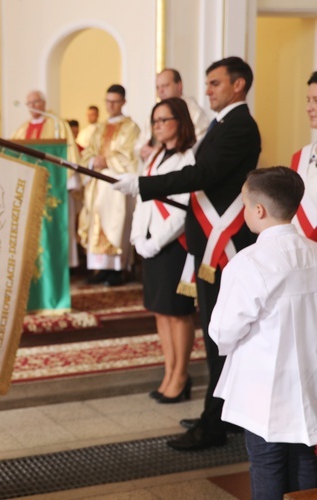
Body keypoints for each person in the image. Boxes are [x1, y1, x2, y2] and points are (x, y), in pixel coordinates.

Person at [112, 56, 261, 450]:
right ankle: (224, 415)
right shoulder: (223, 125)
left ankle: (213, 426)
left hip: (224, 250)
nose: (207, 90)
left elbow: (201, 176)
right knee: (216, 334)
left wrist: (144, 185)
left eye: (215, 83)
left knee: (220, 337)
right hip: (212, 250)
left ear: (238, 85)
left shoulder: (239, 126)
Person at [209, 167, 317, 499]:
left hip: (264, 386)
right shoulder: (314, 252)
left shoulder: (249, 262)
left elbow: (223, 331)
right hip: (310, 378)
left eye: (244, 205)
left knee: (267, 463)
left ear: (259, 210)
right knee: (305, 459)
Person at [130, 98, 197, 404]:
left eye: (163, 120)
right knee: (159, 310)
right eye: (154, 121)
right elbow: (144, 199)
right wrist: (137, 237)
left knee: (177, 312)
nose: (157, 126)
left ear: (179, 122)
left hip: (174, 245)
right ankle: (168, 371)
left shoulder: (188, 158)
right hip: (150, 244)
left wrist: (157, 240)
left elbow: (183, 209)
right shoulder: (155, 155)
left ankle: (181, 375)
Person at [78, 84, 140, 286]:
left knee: (116, 223)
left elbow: (131, 155)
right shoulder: (99, 128)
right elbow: (88, 152)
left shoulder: (131, 128)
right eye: (108, 101)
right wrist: (92, 161)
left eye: (115, 101)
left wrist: (108, 160)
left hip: (116, 184)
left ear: (123, 102)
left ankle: (117, 269)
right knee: (96, 222)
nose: (111, 106)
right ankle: (100, 269)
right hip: (98, 184)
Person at [12, 90, 81, 268]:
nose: (33, 107)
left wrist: (69, 181)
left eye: (36, 102)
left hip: (54, 185)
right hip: (32, 187)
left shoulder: (58, 125)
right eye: (29, 103)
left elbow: (69, 151)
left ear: (44, 103)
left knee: (57, 226)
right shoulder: (22, 130)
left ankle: (62, 264)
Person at [139, 69, 209, 163]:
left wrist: (159, 153)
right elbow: (141, 144)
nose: (161, 91)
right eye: (158, 87)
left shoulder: (193, 112)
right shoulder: (156, 112)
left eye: (165, 86)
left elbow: (198, 145)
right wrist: (143, 152)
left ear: (179, 86)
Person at [289, 71, 317, 241]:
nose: (309, 108)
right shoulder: (301, 156)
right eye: (308, 100)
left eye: (316, 100)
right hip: (302, 253)